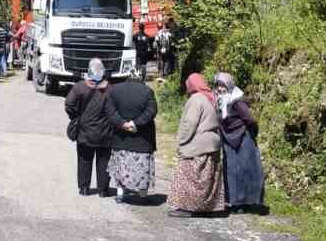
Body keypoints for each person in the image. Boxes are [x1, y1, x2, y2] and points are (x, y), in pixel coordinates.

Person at [168, 73, 226, 217]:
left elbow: (190, 124)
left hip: (197, 145)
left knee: (188, 176)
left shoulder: (196, 99)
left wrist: (181, 140)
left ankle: (187, 208)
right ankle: (206, 208)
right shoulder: (210, 97)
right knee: (207, 180)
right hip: (212, 144)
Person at [104, 70, 157, 204]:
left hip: (121, 138)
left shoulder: (115, 90)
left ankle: (120, 194)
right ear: (142, 77)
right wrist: (135, 123)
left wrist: (122, 123)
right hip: (142, 139)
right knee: (142, 168)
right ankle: (143, 195)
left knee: (121, 167)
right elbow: (151, 111)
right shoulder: (147, 91)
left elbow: (110, 110)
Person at [215, 72, 266, 211]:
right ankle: (234, 202)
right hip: (229, 141)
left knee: (246, 170)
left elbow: (250, 120)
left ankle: (247, 203)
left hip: (243, 140)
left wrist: (252, 134)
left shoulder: (237, 101)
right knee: (232, 172)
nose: (220, 88)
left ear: (229, 85)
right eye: (218, 85)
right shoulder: (220, 100)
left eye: (222, 85)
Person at [65, 59, 114, 197]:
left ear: (89, 70)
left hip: (85, 131)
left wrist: (75, 116)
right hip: (106, 131)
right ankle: (103, 190)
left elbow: (69, 104)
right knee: (104, 161)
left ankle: (84, 188)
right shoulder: (110, 89)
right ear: (103, 71)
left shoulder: (80, 87)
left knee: (84, 160)